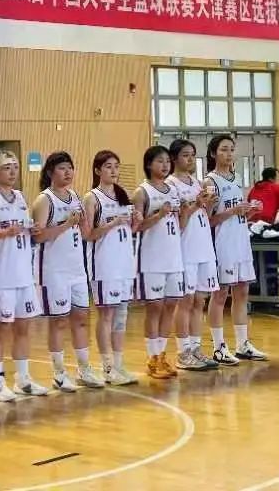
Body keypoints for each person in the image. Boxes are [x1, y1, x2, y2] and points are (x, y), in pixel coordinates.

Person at [0, 150, 48, 401]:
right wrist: (5, 233)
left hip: (23, 274)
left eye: (15, 167)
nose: (13, 172)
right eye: (7, 168)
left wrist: (32, 229)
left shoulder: (20, 196)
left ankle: (23, 379)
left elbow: (22, 228)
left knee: (23, 328)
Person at [32, 152, 104, 392]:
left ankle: (84, 368)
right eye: (62, 168)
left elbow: (84, 232)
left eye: (70, 168)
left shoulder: (75, 197)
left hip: (76, 268)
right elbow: (39, 236)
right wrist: (66, 224)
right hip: (54, 270)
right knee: (59, 322)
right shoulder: (45, 200)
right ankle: (59, 372)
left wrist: (84, 223)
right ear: (50, 172)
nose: (68, 172)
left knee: (82, 318)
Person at [204, 135, 268, 363]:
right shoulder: (209, 182)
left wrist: (250, 211)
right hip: (222, 244)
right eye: (224, 149)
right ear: (213, 153)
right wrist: (233, 211)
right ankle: (218, 347)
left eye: (231, 149)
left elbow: (237, 215)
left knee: (242, 292)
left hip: (241, 241)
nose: (229, 154)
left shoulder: (237, 178)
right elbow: (208, 221)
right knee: (220, 295)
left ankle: (243, 344)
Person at [83, 150, 140, 386]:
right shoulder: (92, 198)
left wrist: (135, 221)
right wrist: (113, 223)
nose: (114, 170)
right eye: (108, 166)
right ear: (98, 170)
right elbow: (88, 234)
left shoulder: (122, 195)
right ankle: (107, 367)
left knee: (121, 316)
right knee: (106, 315)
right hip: (104, 264)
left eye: (116, 166)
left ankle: (118, 364)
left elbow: (130, 230)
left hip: (124, 262)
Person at [167, 140, 219, 371]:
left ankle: (196, 348)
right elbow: (179, 221)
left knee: (200, 300)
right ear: (174, 158)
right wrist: (196, 204)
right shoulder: (171, 185)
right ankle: (183, 352)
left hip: (204, 247)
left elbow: (205, 215)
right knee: (185, 302)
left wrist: (208, 204)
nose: (190, 159)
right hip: (185, 249)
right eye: (185, 155)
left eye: (193, 155)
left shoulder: (198, 183)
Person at [133, 146, 184, 380]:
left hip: (174, 257)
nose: (165, 165)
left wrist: (192, 208)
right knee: (154, 307)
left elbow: (180, 223)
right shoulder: (142, 192)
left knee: (171, 305)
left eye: (167, 161)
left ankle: (162, 355)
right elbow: (136, 227)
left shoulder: (173, 190)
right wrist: (159, 215)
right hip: (151, 259)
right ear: (149, 164)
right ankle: (152, 357)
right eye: (159, 161)